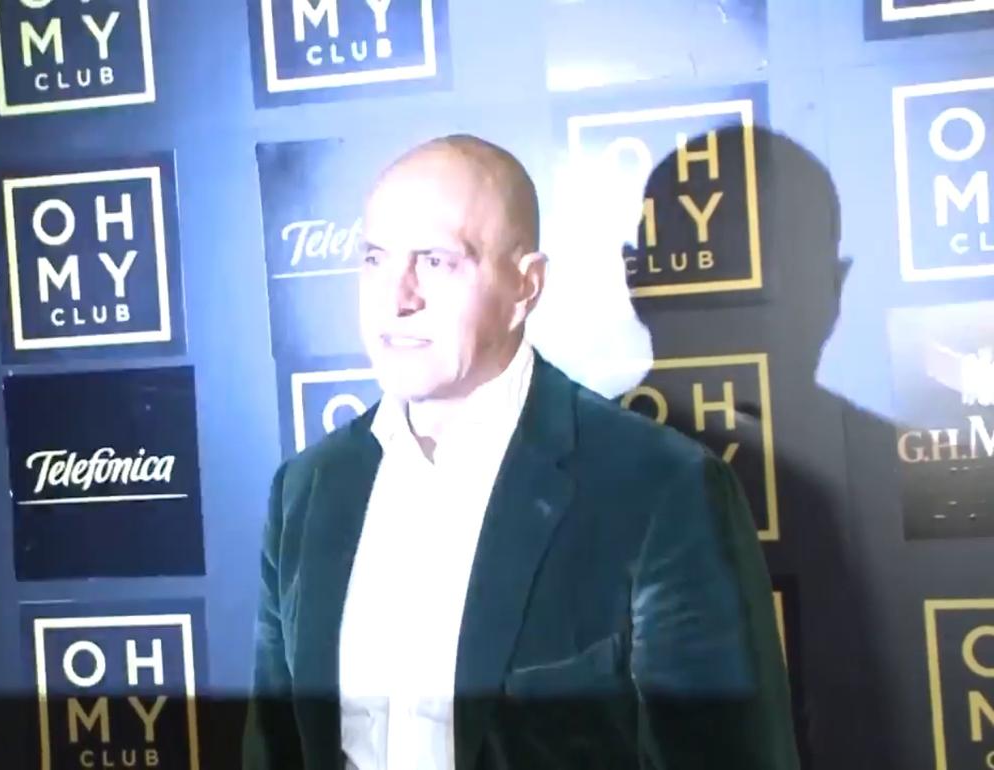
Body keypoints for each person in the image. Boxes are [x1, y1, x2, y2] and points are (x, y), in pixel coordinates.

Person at [243, 134, 799, 770]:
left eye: (436, 261)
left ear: (526, 287)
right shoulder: (307, 489)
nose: (397, 298)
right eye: (375, 258)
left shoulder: (661, 490)